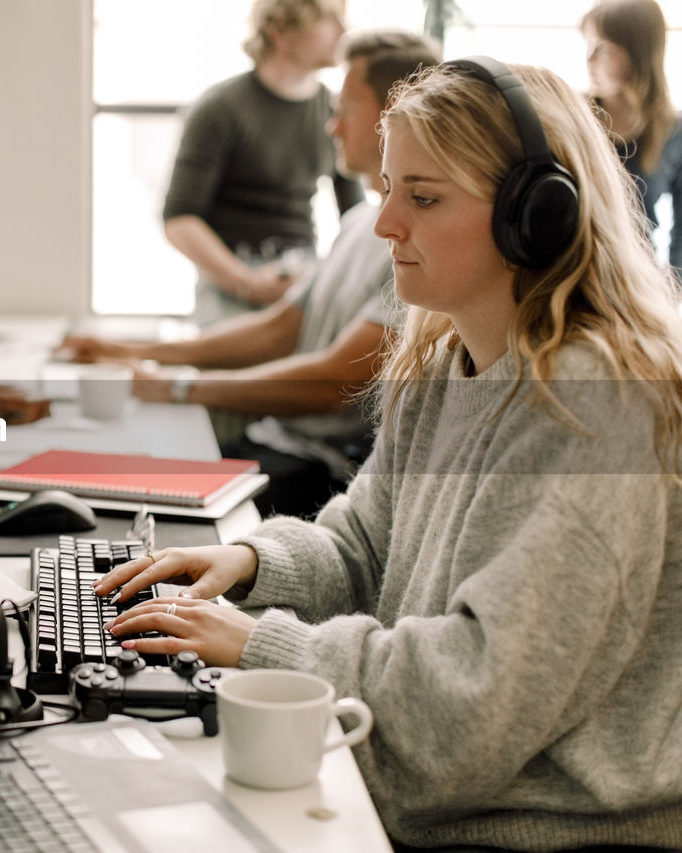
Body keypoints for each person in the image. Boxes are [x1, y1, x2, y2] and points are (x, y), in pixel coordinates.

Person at [98, 60, 682, 850]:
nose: (385, 226)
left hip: (548, 831)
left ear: (535, 216)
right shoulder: (449, 358)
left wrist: (260, 642)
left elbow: (476, 700)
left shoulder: (588, 403)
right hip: (450, 798)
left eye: (425, 197)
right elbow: (365, 543)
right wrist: (245, 561)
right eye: (388, 190)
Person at [61, 30, 441, 519]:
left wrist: (176, 386)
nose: (332, 128)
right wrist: (131, 352)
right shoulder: (356, 224)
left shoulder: (408, 242)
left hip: (311, 473)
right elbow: (281, 328)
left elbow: (334, 385)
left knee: (112, 496)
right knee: (100, 471)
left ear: (395, 112)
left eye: (344, 109)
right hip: (271, 443)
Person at [164, 0, 365, 324]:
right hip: (232, 274)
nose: (345, 32)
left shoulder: (333, 110)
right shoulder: (219, 108)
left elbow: (355, 217)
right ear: (281, 32)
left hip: (303, 270)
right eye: (330, 20)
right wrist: (246, 283)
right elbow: (179, 219)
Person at [582, 0, 682, 276]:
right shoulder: (571, 116)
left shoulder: (674, 130)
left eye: (603, 48)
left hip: (636, 279)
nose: (588, 59)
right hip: (568, 277)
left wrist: (670, 290)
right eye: (587, 45)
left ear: (639, 54)